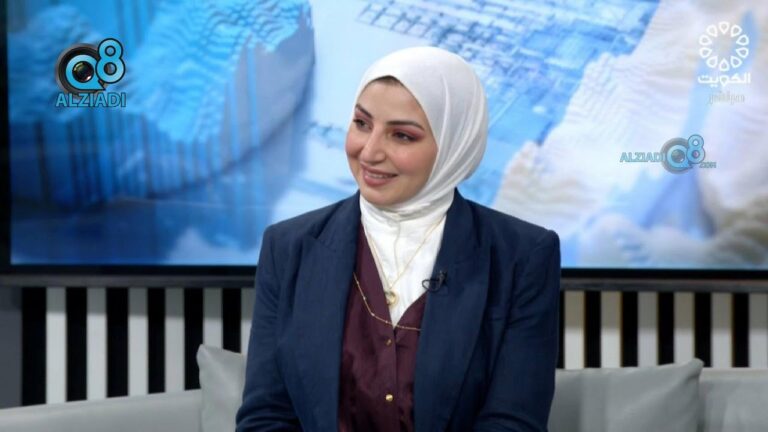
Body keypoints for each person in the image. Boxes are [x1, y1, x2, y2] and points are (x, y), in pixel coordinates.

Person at [236, 46, 561, 432]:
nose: (370, 152)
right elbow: (266, 416)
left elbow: (512, 423)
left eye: (402, 136)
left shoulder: (522, 256)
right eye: (362, 123)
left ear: (453, 145)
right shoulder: (289, 247)